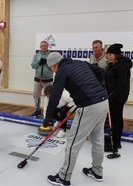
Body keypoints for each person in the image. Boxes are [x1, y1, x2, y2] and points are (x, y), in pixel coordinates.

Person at [43, 52, 108, 186]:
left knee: (73, 143)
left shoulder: (62, 70)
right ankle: (97, 171)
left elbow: (55, 95)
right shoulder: (79, 62)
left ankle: (63, 177)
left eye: (51, 68)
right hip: (103, 101)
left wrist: (48, 118)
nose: (52, 70)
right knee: (97, 140)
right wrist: (99, 87)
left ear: (54, 65)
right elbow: (101, 72)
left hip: (89, 106)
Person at [105, 43, 133, 159]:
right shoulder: (112, 64)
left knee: (116, 119)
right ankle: (115, 141)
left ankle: (116, 144)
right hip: (112, 96)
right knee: (115, 118)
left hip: (118, 97)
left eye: (110, 54)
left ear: (116, 54)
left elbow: (121, 85)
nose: (108, 56)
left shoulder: (122, 66)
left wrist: (110, 97)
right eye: (108, 54)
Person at [31, 41, 53, 117]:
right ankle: (37, 109)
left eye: (45, 46)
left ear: (47, 46)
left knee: (49, 96)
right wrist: (38, 61)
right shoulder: (36, 55)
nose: (43, 47)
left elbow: (53, 67)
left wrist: (46, 63)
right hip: (38, 79)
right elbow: (33, 66)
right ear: (40, 47)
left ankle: (49, 111)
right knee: (36, 95)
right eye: (42, 46)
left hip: (48, 80)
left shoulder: (51, 55)